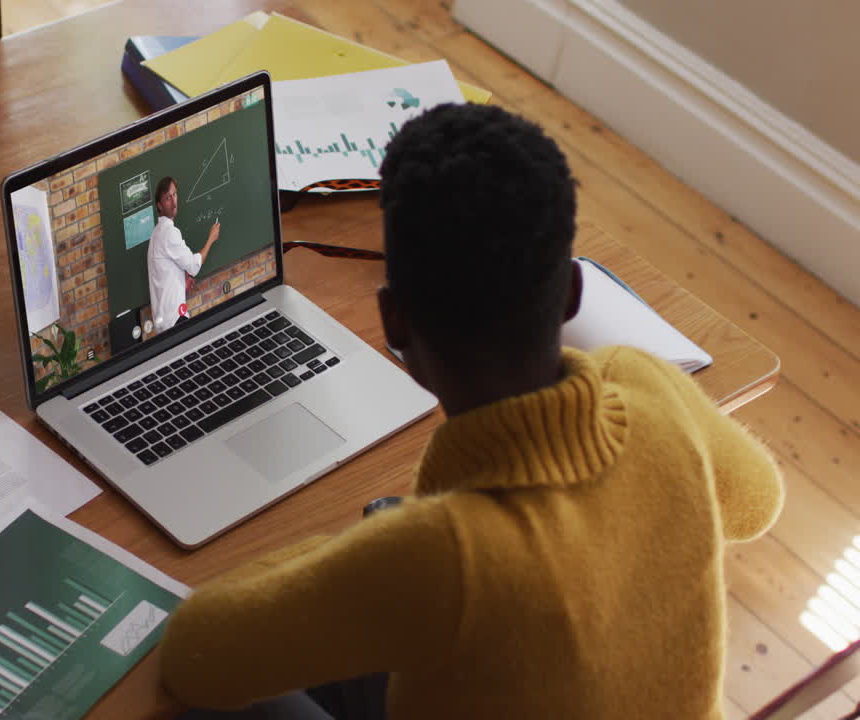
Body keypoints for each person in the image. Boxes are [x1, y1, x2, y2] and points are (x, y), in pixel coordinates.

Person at [158, 103, 784, 718]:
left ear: (394, 320)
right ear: (570, 291)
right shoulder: (649, 385)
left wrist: (367, 551)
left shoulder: (437, 557)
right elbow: (757, 503)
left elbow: (195, 654)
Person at [148, 176, 220, 332]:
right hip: (175, 321)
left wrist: (181, 283)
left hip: (163, 322)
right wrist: (211, 239)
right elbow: (194, 267)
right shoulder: (169, 233)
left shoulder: (155, 234)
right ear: (160, 206)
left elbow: (164, 275)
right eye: (168, 198)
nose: (174, 202)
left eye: (174, 195)